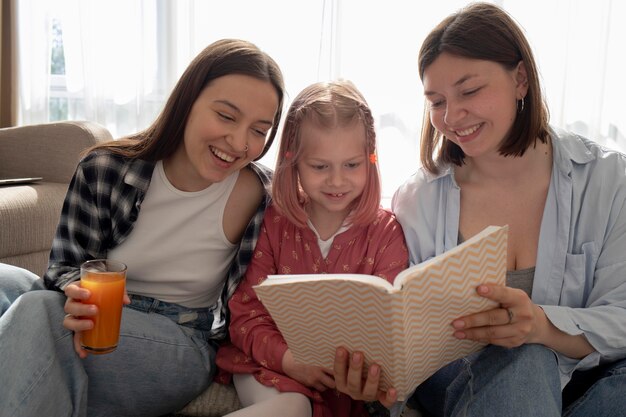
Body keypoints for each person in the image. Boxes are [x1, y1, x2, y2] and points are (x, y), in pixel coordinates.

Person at [0, 38, 285, 417]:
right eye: (227, 116)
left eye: (259, 130)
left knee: (40, 315)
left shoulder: (263, 198)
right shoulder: (106, 170)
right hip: (103, 314)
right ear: (187, 101)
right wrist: (76, 291)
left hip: (182, 339)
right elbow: (64, 266)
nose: (239, 142)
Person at [376, 2, 626, 416]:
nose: (452, 116)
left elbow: (621, 316)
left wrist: (542, 326)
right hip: (466, 375)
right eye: (436, 101)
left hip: (586, 375)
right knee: (525, 359)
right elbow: (410, 336)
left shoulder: (608, 180)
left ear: (521, 79)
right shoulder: (418, 198)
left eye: (470, 91)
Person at [214, 79, 409, 417]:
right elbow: (246, 313)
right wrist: (289, 359)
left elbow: (390, 327)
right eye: (320, 167)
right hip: (272, 363)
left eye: (352, 165)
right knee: (293, 407)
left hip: (349, 383)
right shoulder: (275, 222)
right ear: (293, 162)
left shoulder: (386, 233)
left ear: (371, 159)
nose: (337, 181)